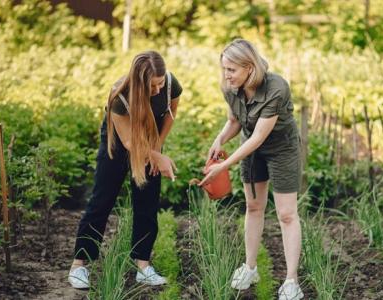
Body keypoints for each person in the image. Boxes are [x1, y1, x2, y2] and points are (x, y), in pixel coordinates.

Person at [199, 39, 304, 300]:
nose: (226, 75)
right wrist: (220, 139)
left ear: (249, 67)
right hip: (252, 150)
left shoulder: (276, 88)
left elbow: (258, 136)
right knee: (254, 206)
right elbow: (235, 120)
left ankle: (291, 281)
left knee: (287, 214)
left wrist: (223, 165)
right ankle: (250, 268)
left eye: (231, 70)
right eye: (224, 68)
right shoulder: (231, 87)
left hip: (282, 149)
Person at [68, 50, 182, 289]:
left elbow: (170, 113)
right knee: (102, 201)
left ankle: (143, 266)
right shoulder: (119, 96)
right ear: (139, 83)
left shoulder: (170, 84)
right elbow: (130, 143)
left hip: (151, 141)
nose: (159, 89)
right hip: (118, 144)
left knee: (147, 202)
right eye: (153, 85)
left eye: (161, 83)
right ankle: (79, 265)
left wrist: (157, 148)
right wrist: (157, 157)